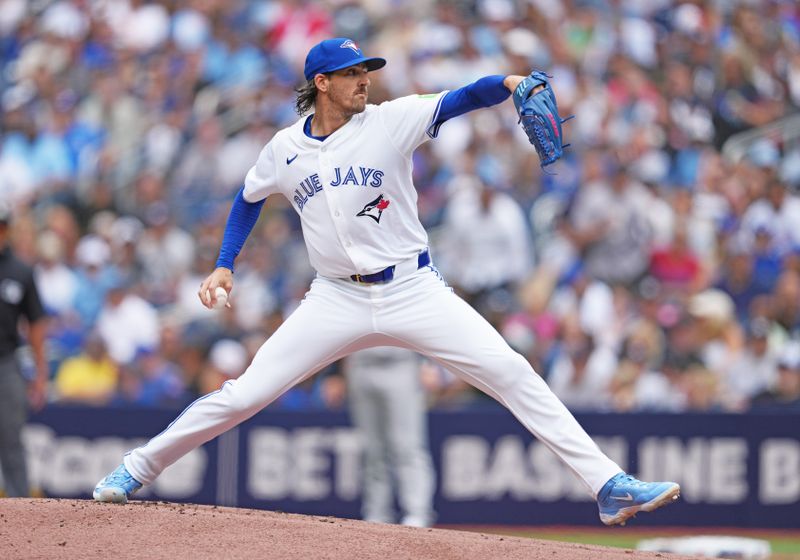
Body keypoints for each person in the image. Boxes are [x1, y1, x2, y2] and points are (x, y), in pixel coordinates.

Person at [94, 37, 680, 526]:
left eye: (366, 71)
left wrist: (507, 84)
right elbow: (248, 199)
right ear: (321, 82)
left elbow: (460, 98)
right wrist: (225, 262)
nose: (364, 81)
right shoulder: (284, 148)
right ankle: (135, 469)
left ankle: (608, 485)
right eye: (351, 74)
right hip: (335, 297)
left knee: (511, 371)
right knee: (244, 394)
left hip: (413, 289)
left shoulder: (391, 121)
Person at [343, 347, 436, 527]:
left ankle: (417, 513)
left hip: (401, 363)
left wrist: (429, 362)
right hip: (361, 362)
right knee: (371, 449)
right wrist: (336, 372)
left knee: (407, 446)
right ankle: (376, 513)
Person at [0, 204, 48, 497]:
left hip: (6, 363)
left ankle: (19, 510)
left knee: (11, 439)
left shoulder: (20, 270)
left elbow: (36, 325)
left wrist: (40, 373)